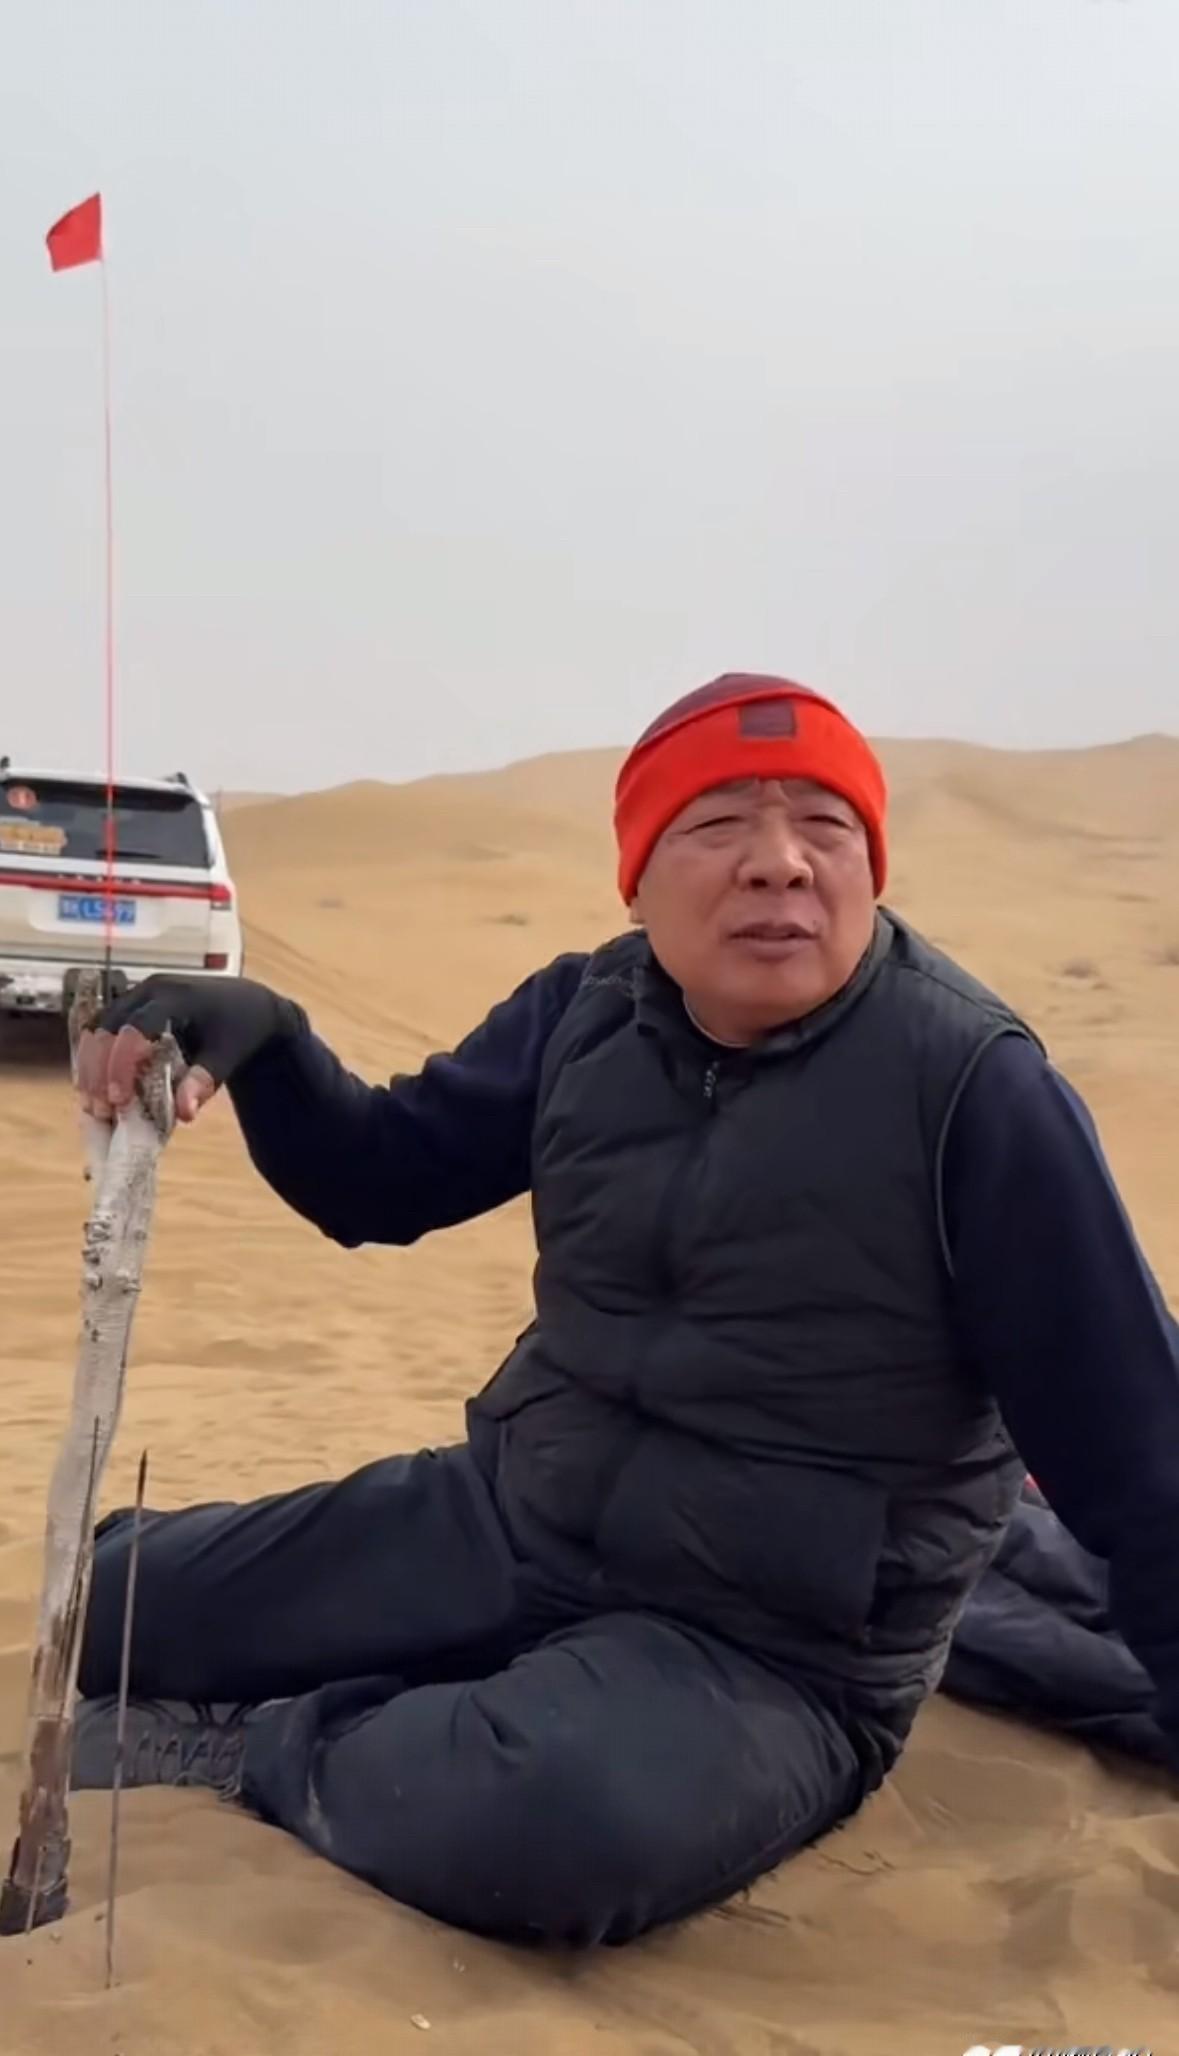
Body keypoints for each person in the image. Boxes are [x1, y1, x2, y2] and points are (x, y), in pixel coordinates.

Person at [73, 673, 1179, 1947]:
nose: (779, 862)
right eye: (719, 825)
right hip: (511, 1517)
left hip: (772, 1648)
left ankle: (259, 1748)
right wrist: (270, 1042)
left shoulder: (978, 1091)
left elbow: (1143, 1468)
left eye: (825, 827)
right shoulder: (585, 1013)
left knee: (536, 1823)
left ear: (870, 870)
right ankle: (416, 1702)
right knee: (110, 1602)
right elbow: (379, 1180)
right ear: (638, 879)